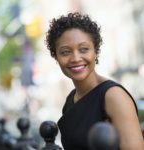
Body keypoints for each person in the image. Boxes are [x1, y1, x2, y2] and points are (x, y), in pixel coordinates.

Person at [45, 12, 144, 150]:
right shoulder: (70, 100)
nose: (76, 58)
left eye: (84, 49)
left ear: (95, 51)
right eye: (65, 52)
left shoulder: (114, 96)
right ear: (56, 57)